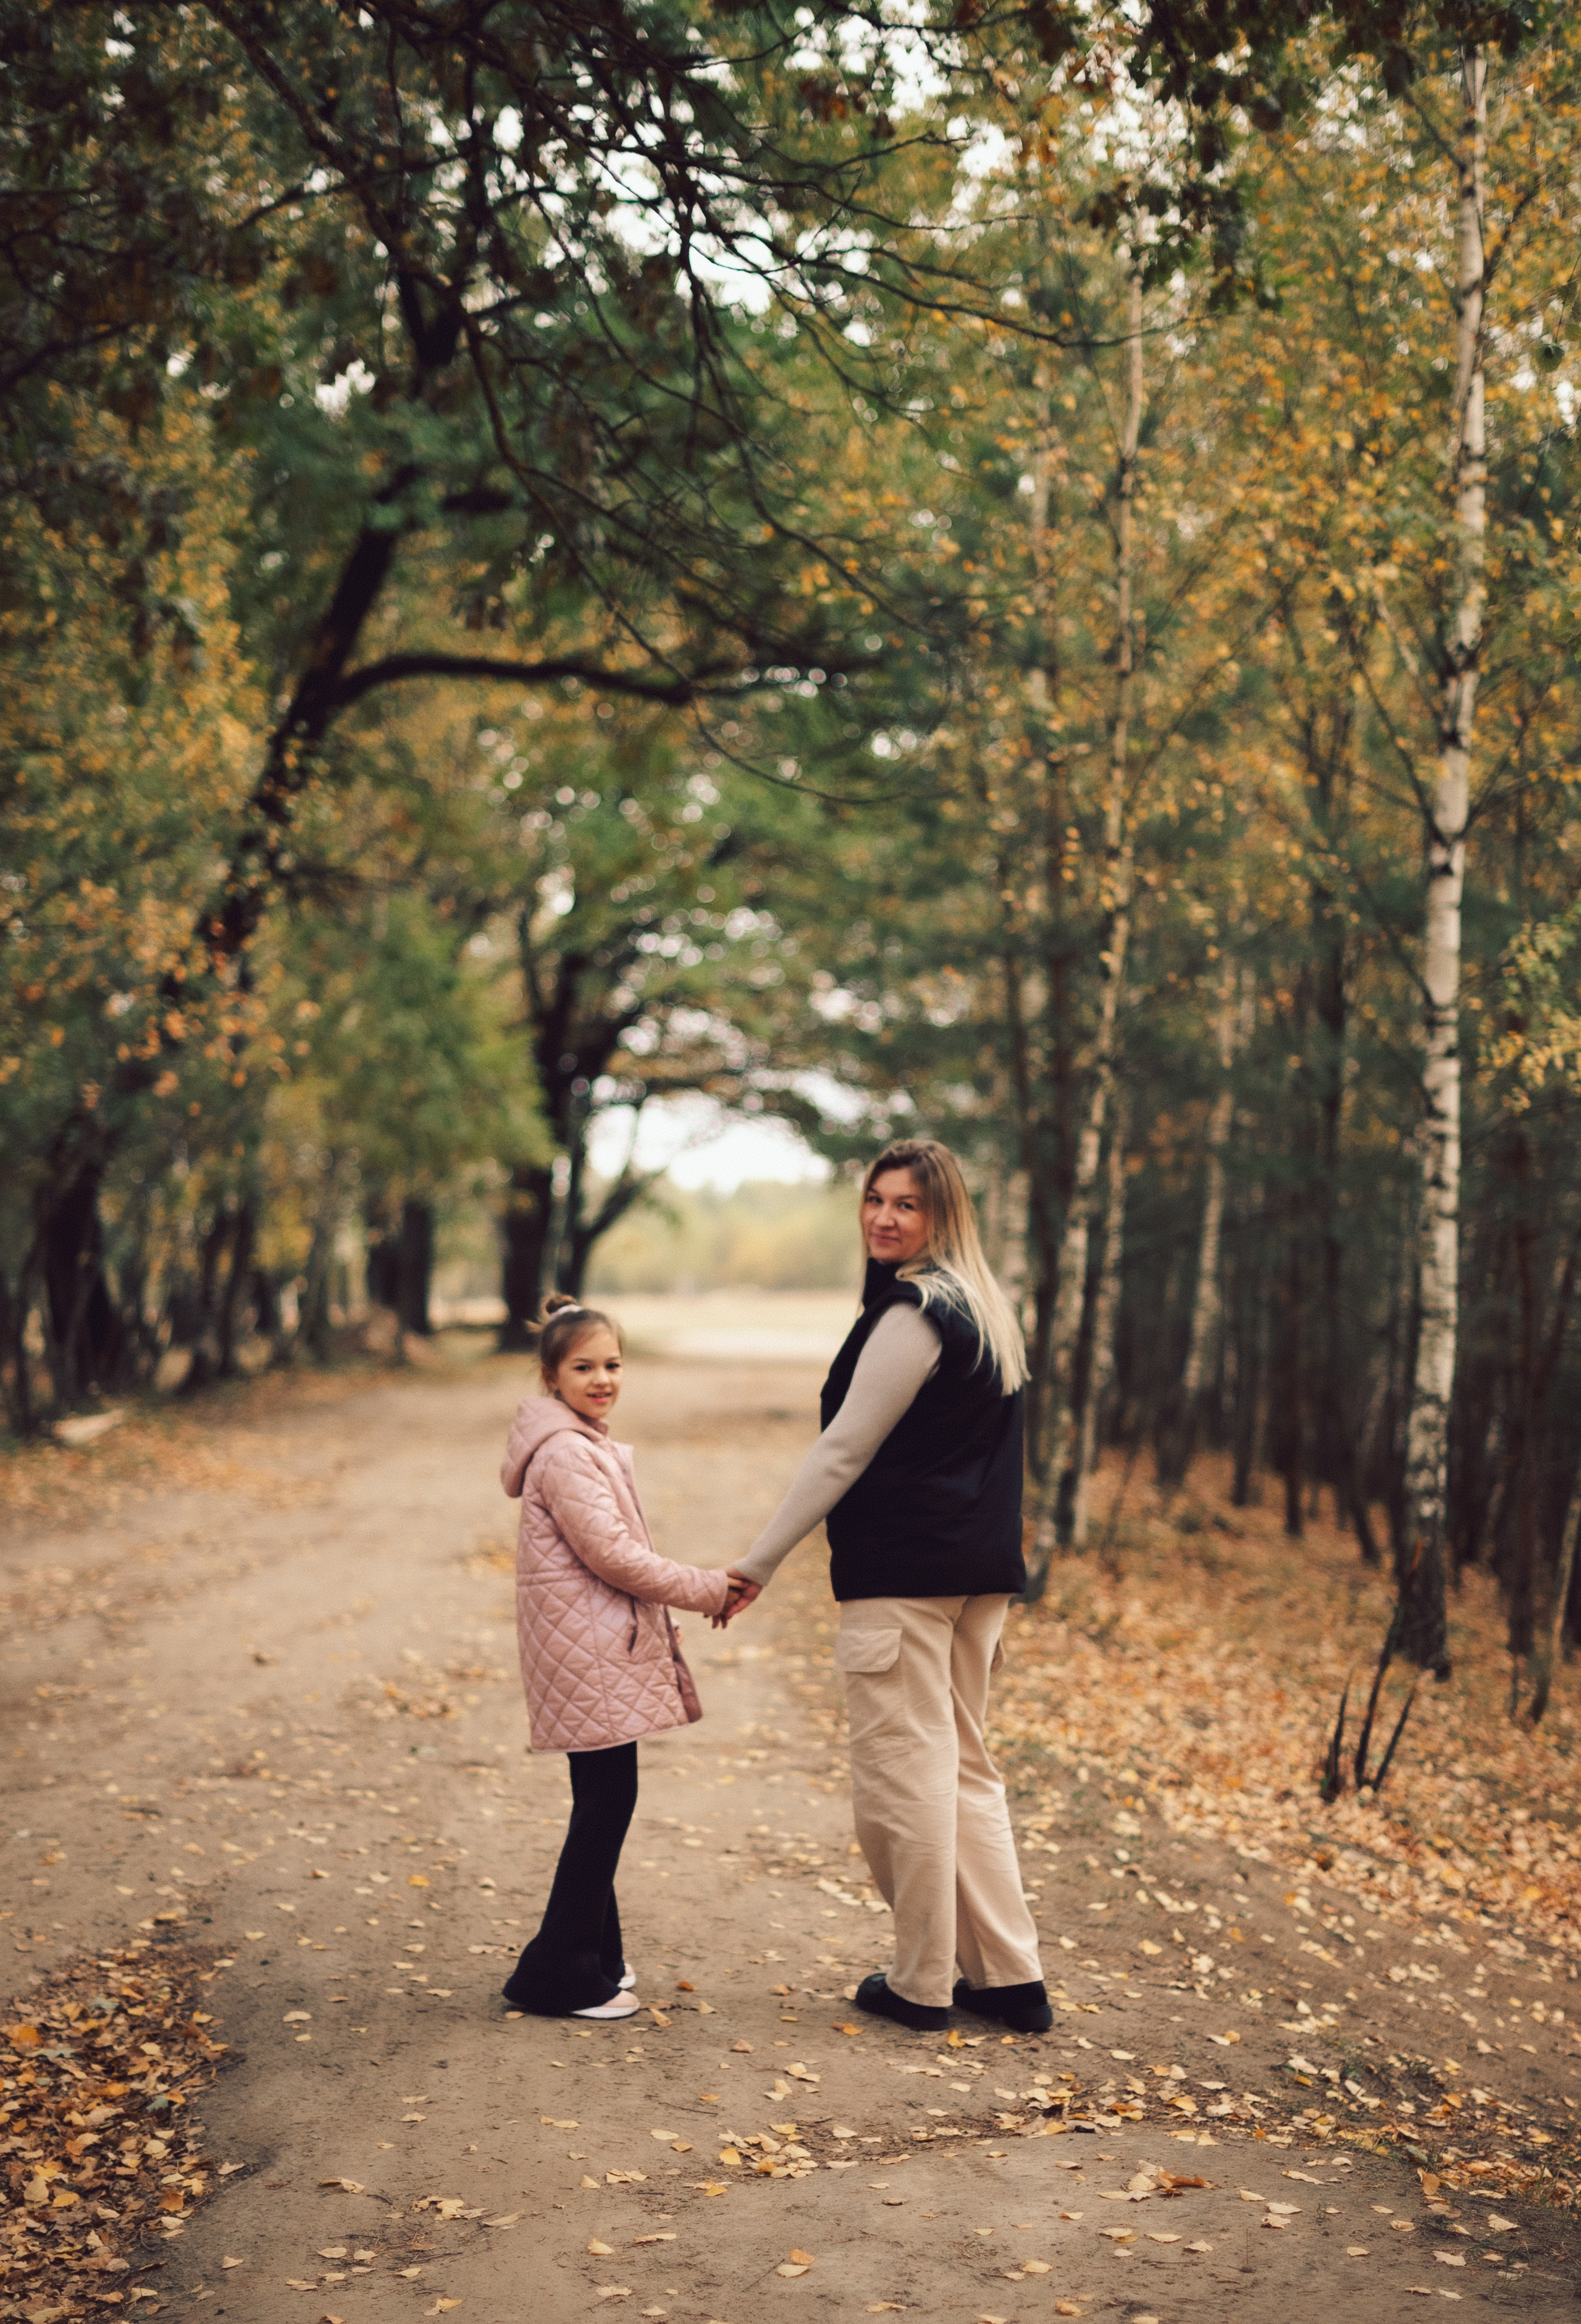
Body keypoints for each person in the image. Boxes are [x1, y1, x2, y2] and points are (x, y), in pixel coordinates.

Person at [725, 1138, 1051, 2034]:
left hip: (906, 1578)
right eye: (875, 1198)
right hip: (975, 1576)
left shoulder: (916, 1311)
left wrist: (757, 1561)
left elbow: (843, 1449)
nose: (884, 1216)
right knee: (964, 1769)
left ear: (943, 1217)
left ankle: (919, 1983)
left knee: (902, 1778)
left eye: (907, 1204)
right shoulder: (987, 1305)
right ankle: (1009, 1978)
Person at [499, 1293, 732, 2019]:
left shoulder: (581, 1441)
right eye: (583, 1366)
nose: (602, 1378)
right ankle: (558, 1971)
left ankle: (597, 1954)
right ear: (550, 1376)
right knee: (607, 1800)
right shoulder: (567, 1453)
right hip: (587, 1653)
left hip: (593, 1645)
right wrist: (709, 1589)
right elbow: (616, 1557)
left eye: (613, 1364)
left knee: (603, 1798)